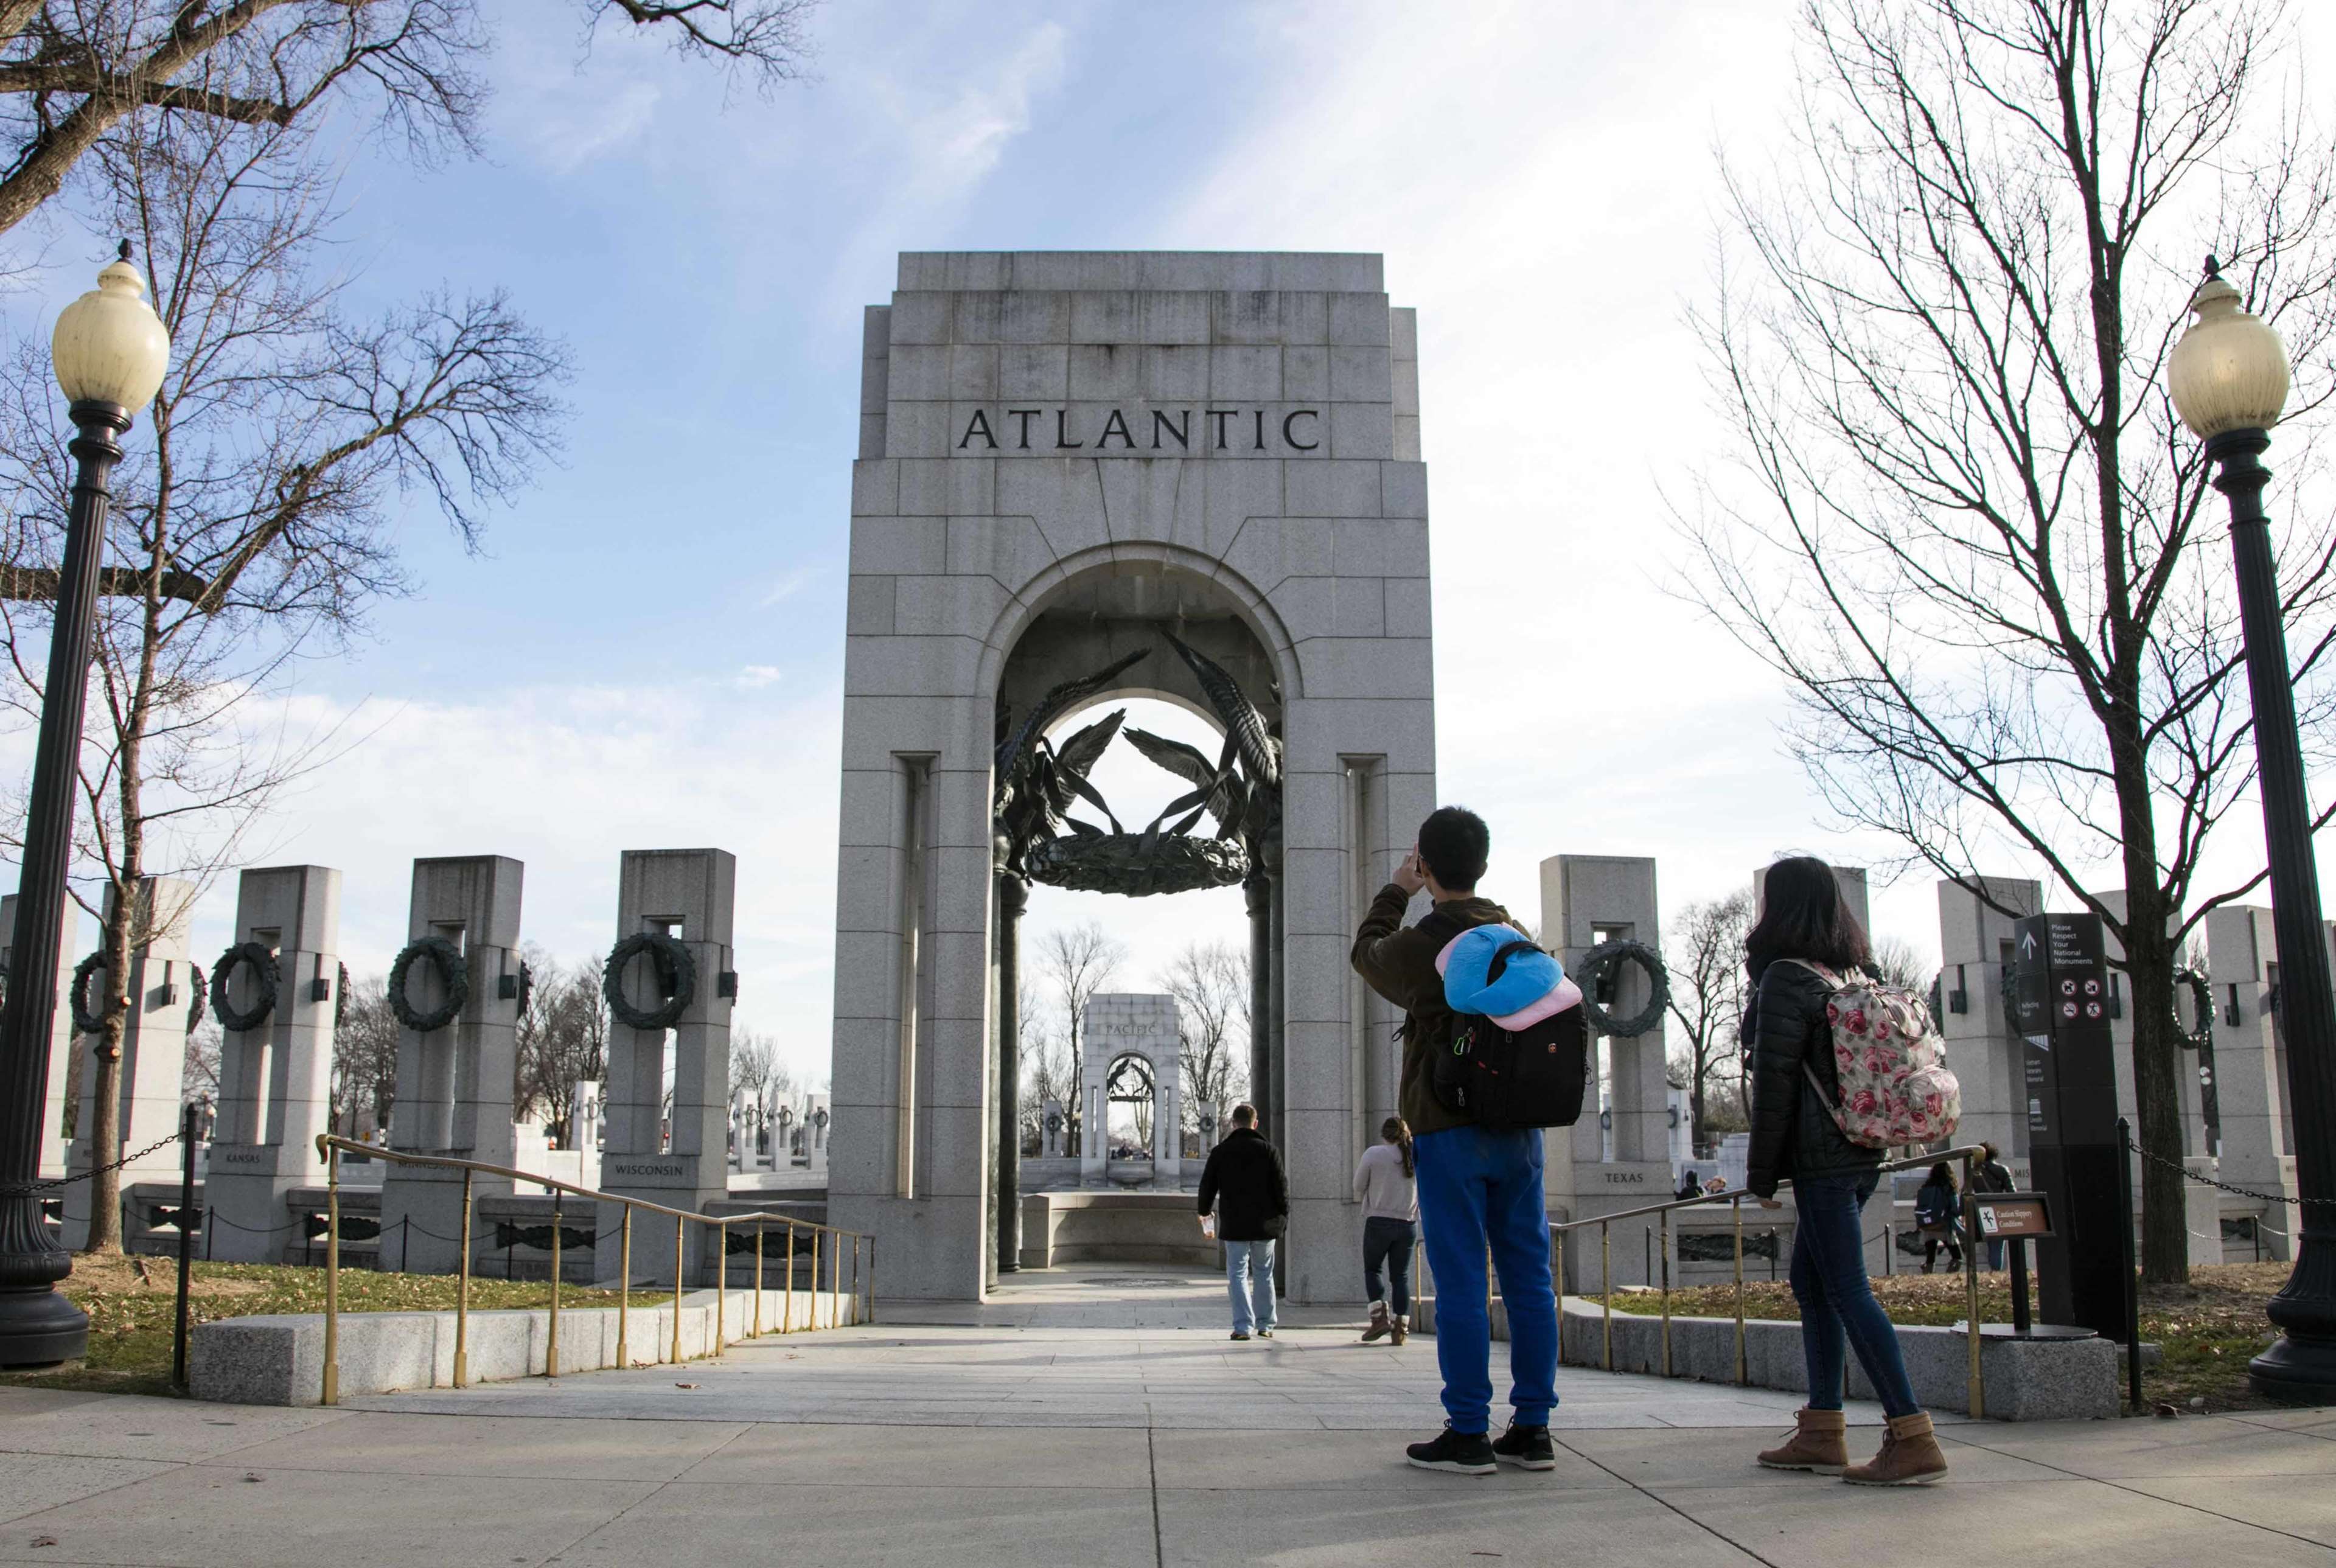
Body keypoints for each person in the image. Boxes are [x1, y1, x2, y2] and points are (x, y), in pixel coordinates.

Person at [1352, 805, 1560, 1477]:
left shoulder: (1426, 943)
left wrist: (1396, 891)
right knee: (1530, 1279)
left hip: (1448, 1129)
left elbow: (1365, 953)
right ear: (1484, 862)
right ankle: (1531, 1428)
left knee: (1463, 1280)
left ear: (1426, 863)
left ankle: (1468, 1430)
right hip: (1521, 1128)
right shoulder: (1514, 934)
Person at [1745, 855, 1947, 1486]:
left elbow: (1775, 1082)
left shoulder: (1786, 977)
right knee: (1811, 1286)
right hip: (1862, 1152)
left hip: (1821, 1160)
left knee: (1845, 1292)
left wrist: (1761, 1172)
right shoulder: (1853, 974)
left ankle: (1909, 1432)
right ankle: (1821, 1430)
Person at [1196, 1103, 1288, 1342]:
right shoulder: (1269, 1151)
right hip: (1265, 1226)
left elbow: (1207, 1187)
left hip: (1235, 1224)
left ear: (1234, 1124)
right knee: (1264, 1274)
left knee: (1237, 1274)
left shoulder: (1221, 1152)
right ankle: (1266, 1325)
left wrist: (1204, 1212)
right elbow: (1282, 1189)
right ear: (1255, 1124)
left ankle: (1242, 1326)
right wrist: (1283, 1218)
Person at [1356, 1117, 1418, 1345]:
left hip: (1379, 1220)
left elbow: (1358, 1185)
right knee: (1400, 1276)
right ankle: (1400, 1328)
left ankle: (1379, 1318)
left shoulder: (1374, 1154)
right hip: (1408, 1222)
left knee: (1373, 1270)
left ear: (1384, 1134)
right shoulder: (1415, 1154)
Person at [1970, 1143, 2014, 1270]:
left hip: (1982, 1210)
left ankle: (1993, 1269)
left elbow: (1966, 1192)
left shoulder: (1974, 1172)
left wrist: (1963, 1213)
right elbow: (2012, 1192)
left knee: (1990, 1243)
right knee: (1998, 1244)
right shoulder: (2002, 1170)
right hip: (1999, 1209)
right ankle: (1996, 1271)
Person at [1916, 1163, 1964, 1274]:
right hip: (1944, 1225)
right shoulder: (1949, 1188)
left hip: (1928, 1225)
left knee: (1930, 1256)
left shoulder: (1926, 1187)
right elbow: (1955, 1209)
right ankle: (1950, 1275)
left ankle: (1928, 1274)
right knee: (1957, 1256)